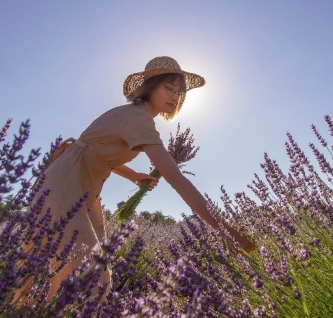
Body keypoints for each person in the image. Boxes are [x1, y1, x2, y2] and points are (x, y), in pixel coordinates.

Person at [15, 56, 254, 303]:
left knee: (39, 273)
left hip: (78, 187)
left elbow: (96, 152)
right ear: (151, 87)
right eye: (168, 88)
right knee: (90, 275)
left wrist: (132, 176)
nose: (174, 96)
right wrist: (225, 230)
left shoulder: (137, 117)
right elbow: (177, 179)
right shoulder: (138, 118)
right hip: (65, 186)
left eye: (179, 91)